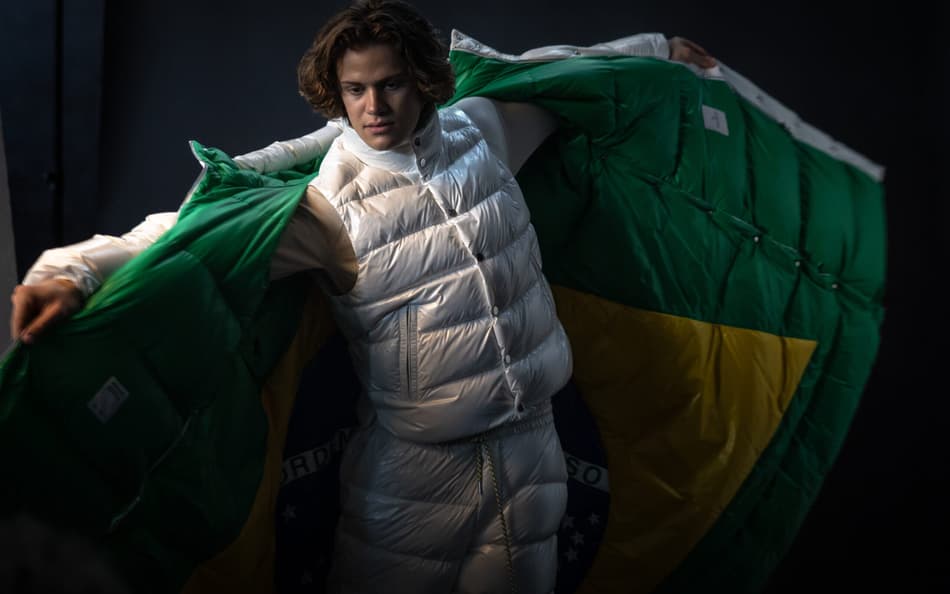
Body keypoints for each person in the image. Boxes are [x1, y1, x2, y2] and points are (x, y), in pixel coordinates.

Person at [8, 1, 715, 591]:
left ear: (425, 81)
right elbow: (192, 238)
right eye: (355, 90)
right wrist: (73, 270)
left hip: (534, 452)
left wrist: (656, 50)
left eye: (392, 84)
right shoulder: (328, 207)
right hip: (416, 477)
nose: (374, 106)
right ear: (335, 93)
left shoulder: (485, 131)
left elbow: (559, 74)